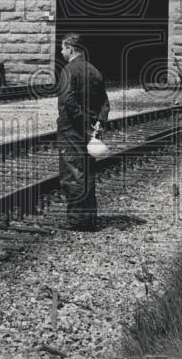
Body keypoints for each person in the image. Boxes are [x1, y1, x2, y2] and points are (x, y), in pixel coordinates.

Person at [57, 34, 109, 230]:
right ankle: (89, 218)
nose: (61, 52)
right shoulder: (95, 71)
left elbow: (67, 101)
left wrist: (84, 121)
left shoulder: (68, 71)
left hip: (71, 130)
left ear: (71, 49)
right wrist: (98, 122)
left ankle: (77, 221)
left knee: (72, 173)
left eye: (63, 49)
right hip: (90, 132)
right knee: (87, 172)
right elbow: (105, 102)